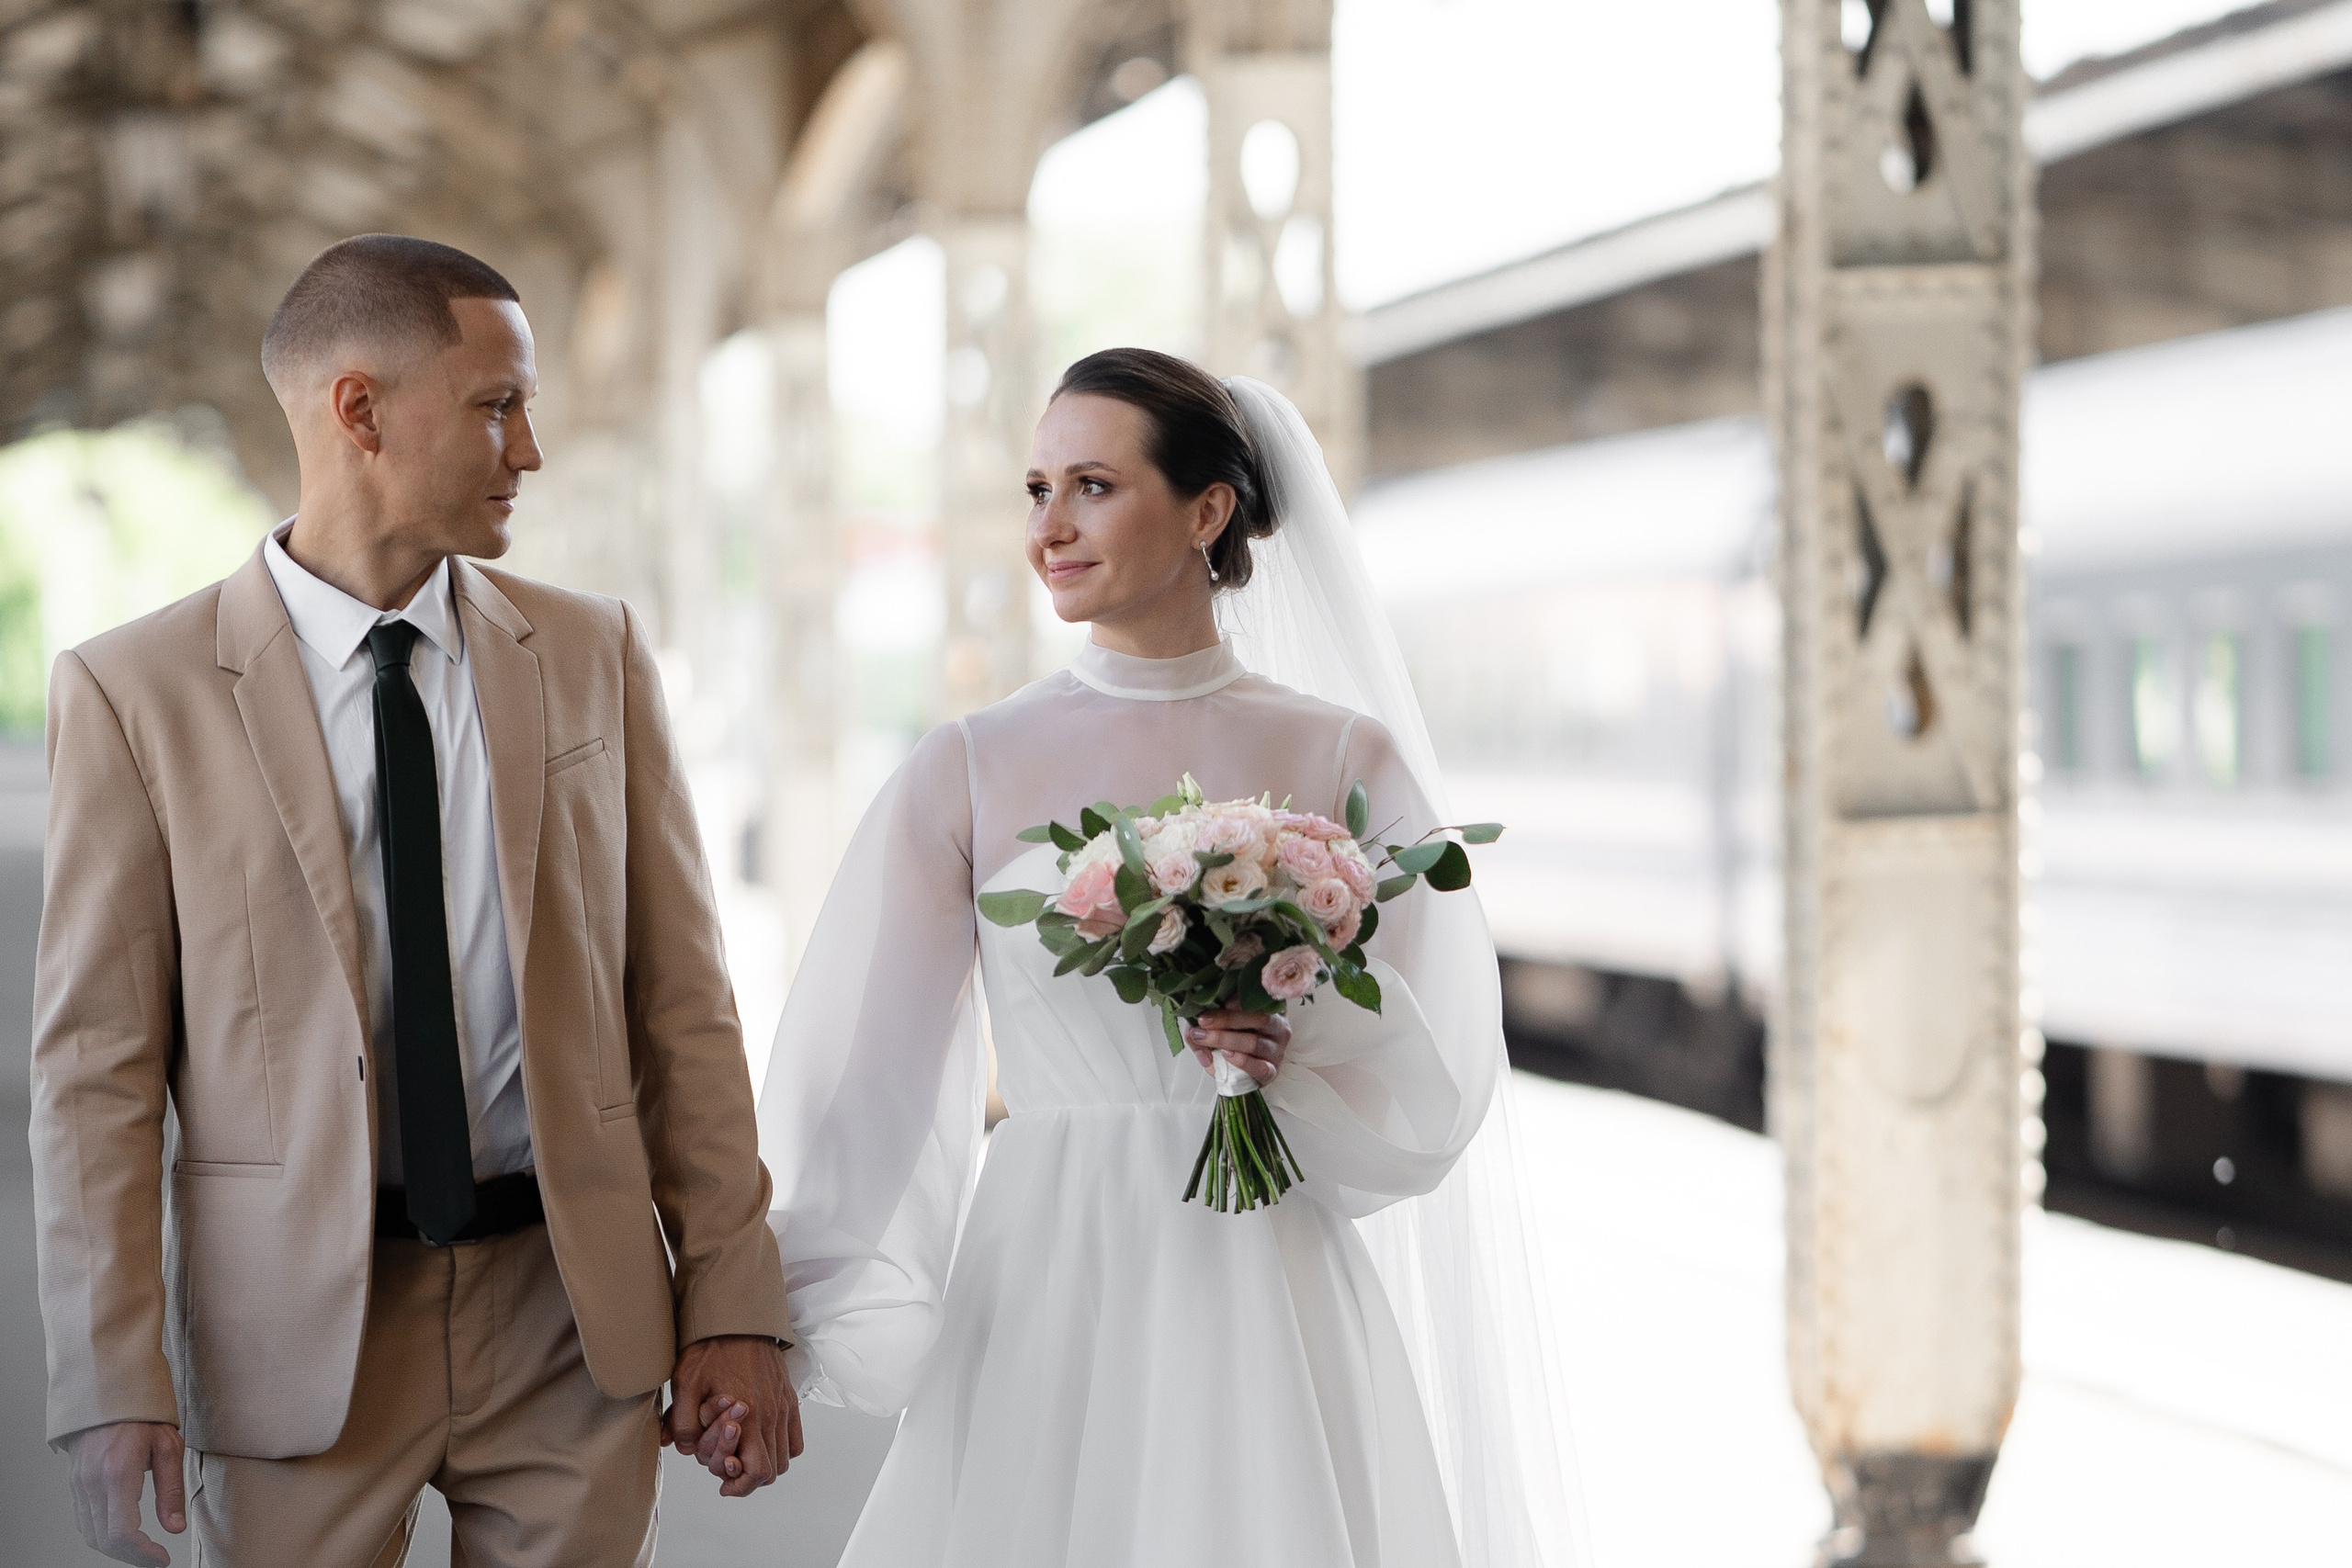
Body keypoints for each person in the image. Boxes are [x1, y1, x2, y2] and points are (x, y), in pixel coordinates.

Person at [30, 233, 797, 1567]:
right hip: (294, 1335)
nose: (529, 451)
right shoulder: (133, 693)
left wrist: (735, 1296)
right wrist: (111, 1380)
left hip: (573, 1315)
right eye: (497, 406)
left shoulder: (590, 654)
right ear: (359, 409)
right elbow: (95, 1073)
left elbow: (682, 1004)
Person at [749, 348, 1587, 1565]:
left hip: (1265, 1268)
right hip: (1046, 1264)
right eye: (1036, 491)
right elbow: (860, 1081)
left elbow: (1438, 1054)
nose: (1052, 528)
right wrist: (763, 1316)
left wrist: (1296, 1049)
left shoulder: (1347, 757)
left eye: (1093, 485)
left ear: (1208, 510)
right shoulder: (969, 765)